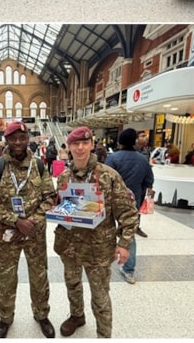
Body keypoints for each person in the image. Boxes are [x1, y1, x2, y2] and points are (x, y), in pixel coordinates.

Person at [53, 127, 139, 338]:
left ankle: (104, 334)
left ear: (92, 144)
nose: (80, 148)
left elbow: (128, 212)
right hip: (70, 246)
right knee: (72, 285)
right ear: (69, 147)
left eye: (85, 143)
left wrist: (124, 243)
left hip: (98, 248)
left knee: (100, 294)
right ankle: (77, 316)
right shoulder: (64, 177)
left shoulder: (108, 176)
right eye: (75, 144)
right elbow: (62, 207)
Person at [0, 121, 57, 339]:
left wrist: (31, 221)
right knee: (6, 278)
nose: (18, 142)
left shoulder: (39, 165)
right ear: (6, 140)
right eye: (13, 138)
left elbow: (49, 197)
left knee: (39, 276)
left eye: (22, 138)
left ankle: (42, 315)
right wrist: (16, 221)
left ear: (28, 139)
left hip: (34, 233)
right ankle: (5, 318)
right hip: (7, 235)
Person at [105, 127, 153, 284]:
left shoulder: (113, 159)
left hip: (111, 203)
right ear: (134, 141)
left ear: (120, 142)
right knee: (129, 234)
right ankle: (129, 270)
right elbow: (148, 181)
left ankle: (104, 263)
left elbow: (104, 182)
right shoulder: (143, 160)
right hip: (133, 203)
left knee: (106, 231)